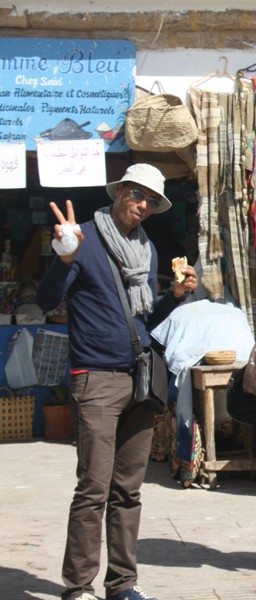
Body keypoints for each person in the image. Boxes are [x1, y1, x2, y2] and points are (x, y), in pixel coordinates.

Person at [37, 164, 199, 600]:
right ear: (120, 192)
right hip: (95, 379)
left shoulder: (145, 251)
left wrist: (174, 298)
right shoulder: (83, 240)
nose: (142, 206)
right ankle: (78, 587)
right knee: (93, 488)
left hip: (139, 380)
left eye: (150, 200)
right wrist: (65, 256)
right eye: (137, 195)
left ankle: (123, 584)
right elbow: (47, 300)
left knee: (129, 490)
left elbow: (143, 322)